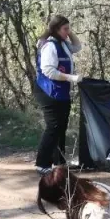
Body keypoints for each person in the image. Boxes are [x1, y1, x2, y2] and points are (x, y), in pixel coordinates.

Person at [33, 15, 84, 172]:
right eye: (65, 29)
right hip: (48, 91)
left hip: (61, 91)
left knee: (62, 127)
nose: (68, 32)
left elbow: (77, 46)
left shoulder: (64, 44)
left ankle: (59, 163)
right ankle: (42, 164)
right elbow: (48, 70)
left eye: (68, 28)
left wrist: (69, 31)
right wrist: (71, 77)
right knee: (53, 127)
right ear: (55, 30)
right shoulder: (49, 46)